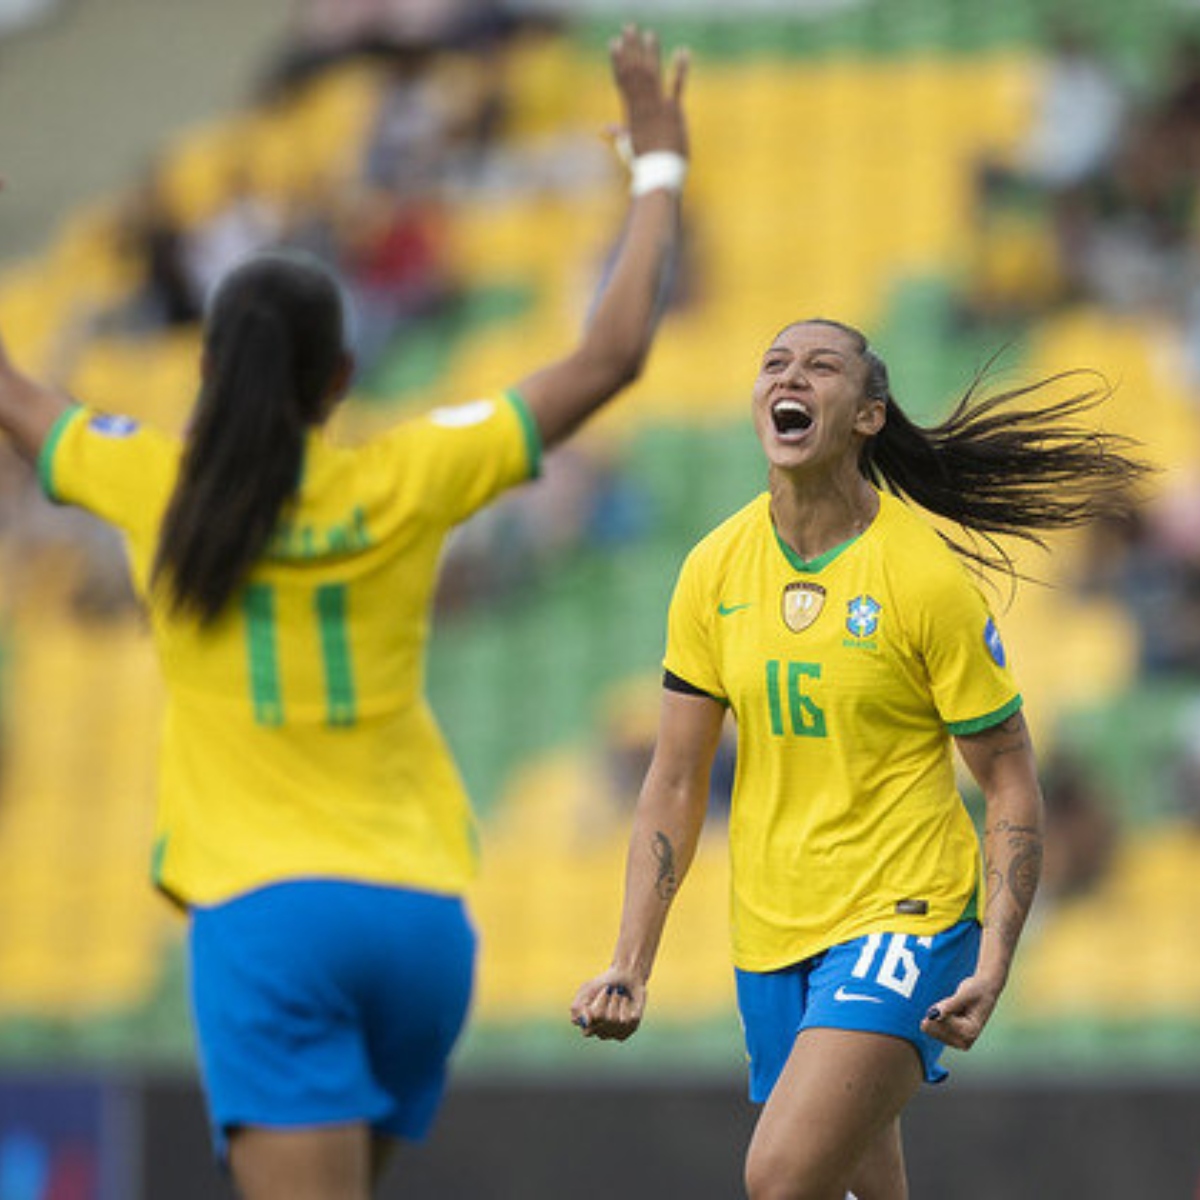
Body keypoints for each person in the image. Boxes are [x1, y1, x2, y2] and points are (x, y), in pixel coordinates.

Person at [0, 25, 688, 1200]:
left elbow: (17, 395)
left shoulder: (151, 481)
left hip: (267, 926)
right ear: (341, 380)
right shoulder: (408, 474)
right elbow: (611, 355)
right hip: (419, 926)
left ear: (208, 377)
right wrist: (660, 167)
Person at [571, 320, 1149, 1200]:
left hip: (905, 916)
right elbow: (678, 779)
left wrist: (992, 960)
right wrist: (631, 959)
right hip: (770, 932)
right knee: (862, 1189)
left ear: (868, 415)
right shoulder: (712, 571)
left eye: (820, 365)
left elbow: (1007, 777)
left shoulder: (920, 578)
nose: (788, 376)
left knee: (780, 1179)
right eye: (772, 363)